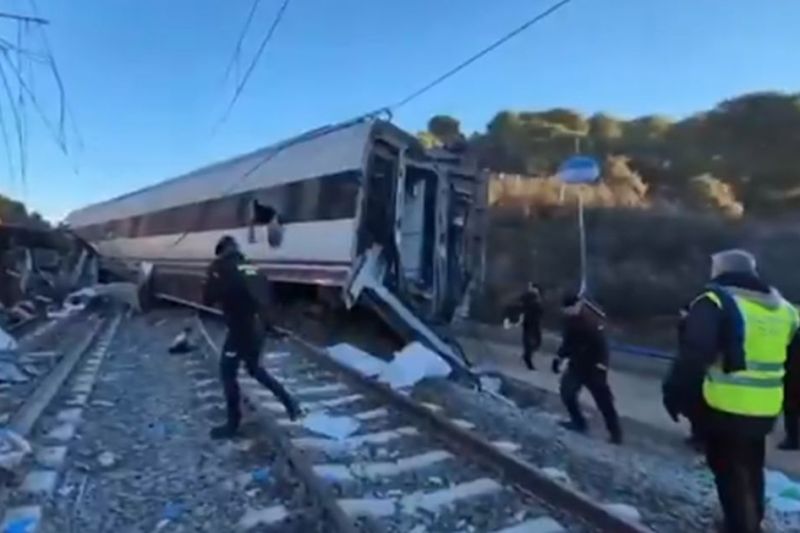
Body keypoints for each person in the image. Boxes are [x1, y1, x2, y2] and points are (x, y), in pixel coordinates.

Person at [662, 249, 800, 533]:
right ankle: (753, 522)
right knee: (752, 467)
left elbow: (694, 354)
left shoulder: (713, 301)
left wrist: (674, 394)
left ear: (720, 271)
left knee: (729, 473)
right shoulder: (785, 309)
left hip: (724, 405)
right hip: (766, 408)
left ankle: (739, 528)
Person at [202, 235, 301, 439]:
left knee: (227, 373)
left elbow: (208, 299)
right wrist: (269, 326)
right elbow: (267, 297)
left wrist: (212, 280)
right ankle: (290, 403)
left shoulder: (219, 267)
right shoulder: (251, 267)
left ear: (220, 251)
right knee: (254, 369)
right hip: (259, 328)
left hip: (241, 329)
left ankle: (232, 424)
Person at [552, 293, 623, 445]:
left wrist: (602, 365)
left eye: (570, 309)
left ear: (577, 305)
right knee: (567, 392)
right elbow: (568, 342)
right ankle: (578, 422)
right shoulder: (568, 321)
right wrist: (559, 357)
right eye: (565, 310)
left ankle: (615, 433)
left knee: (603, 401)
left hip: (594, 366)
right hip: (577, 364)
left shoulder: (591, 320)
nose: (568, 312)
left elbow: (602, 345)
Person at [677, 303, 704, 450]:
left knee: (697, 407)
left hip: (695, 369)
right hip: (691, 367)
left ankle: (699, 437)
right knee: (694, 406)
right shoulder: (689, 325)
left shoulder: (696, 327)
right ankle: (697, 435)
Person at [513, 282, 543, 370]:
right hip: (529, 321)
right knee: (529, 340)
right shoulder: (528, 296)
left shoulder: (537, 297)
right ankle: (527, 358)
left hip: (535, 321)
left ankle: (527, 355)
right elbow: (522, 305)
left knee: (536, 341)